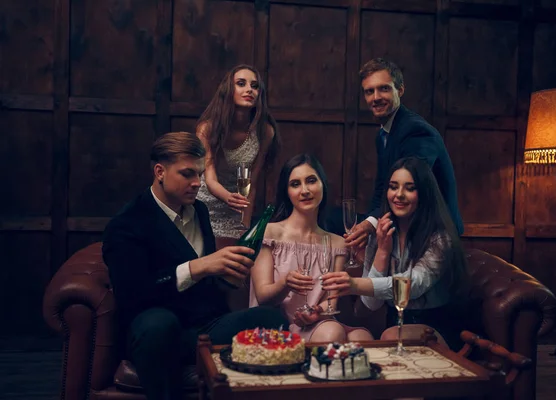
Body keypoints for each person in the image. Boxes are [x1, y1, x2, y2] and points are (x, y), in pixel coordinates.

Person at [102, 132, 287, 400]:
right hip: (155, 332)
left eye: (200, 174)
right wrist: (198, 267)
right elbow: (133, 295)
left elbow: (209, 282)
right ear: (160, 171)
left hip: (202, 328)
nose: (197, 183)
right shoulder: (127, 224)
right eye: (187, 174)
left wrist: (227, 276)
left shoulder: (199, 210)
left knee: (272, 320)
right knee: (158, 324)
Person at [322, 157, 467, 350]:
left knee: (388, 336)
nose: (399, 195)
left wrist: (354, 284)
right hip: (394, 326)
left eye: (409, 188)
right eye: (393, 187)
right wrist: (382, 250)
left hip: (435, 327)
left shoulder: (440, 238)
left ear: (424, 193)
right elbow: (370, 305)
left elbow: (412, 286)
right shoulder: (381, 232)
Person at [250, 153, 373, 342]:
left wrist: (317, 312)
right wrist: (285, 283)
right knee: (333, 333)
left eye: (311, 181)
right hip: (277, 326)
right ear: (287, 191)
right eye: (295, 184)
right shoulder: (269, 233)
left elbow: (331, 301)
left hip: (318, 323)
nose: (305, 190)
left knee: (363, 337)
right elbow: (263, 296)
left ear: (322, 185)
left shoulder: (337, 243)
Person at [344, 58, 463, 253]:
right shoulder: (383, 134)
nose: (376, 97)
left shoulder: (416, 130)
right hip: (406, 230)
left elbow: (407, 188)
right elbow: (382, 189)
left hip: (435, 236)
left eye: (384, 89)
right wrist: (368, 222)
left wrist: (370, 225)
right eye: (369, 91)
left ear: (400, 90)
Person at [196, 64, 280, 238]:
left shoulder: (265, 131)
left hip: (238, 207)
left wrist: (244, 225)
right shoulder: (208, 128)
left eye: (254, 86)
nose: (249, 89)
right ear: (228, 89)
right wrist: (227, 197)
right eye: (241, 83)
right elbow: (210, 178)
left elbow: (252, 184)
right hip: (205, 206)